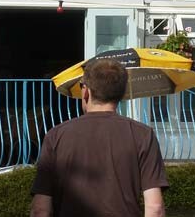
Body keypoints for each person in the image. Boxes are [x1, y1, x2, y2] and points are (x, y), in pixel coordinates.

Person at [31, 59, 168, 217]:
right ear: (121, 94)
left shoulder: (56, 135)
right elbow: (155, 208)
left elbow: (40, 209)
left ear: (86, 92)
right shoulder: (143, 135)